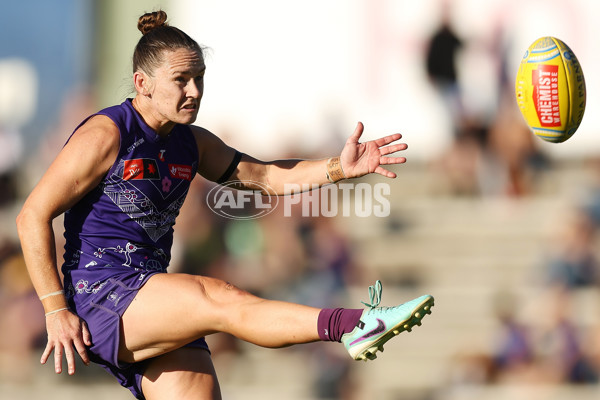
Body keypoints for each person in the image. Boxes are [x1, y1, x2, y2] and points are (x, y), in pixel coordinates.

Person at [16, 11, 434, 400]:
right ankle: (354, 325)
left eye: (199, 78)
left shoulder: (191, 142)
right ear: (142, 83)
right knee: (217, 295)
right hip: (100, 294)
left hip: (151, 297)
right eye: (181, 79)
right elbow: (31, 215)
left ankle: (352, 327)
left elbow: (266, 178)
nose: (194, 91)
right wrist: (55, 309)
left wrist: (338, 169)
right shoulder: (106, 134)